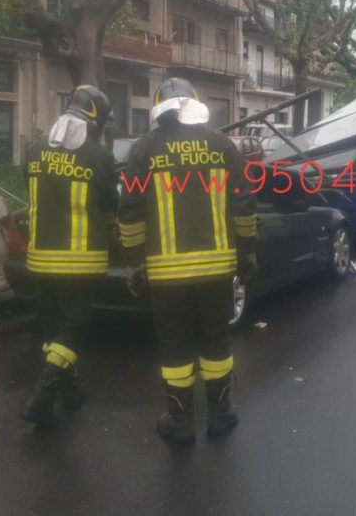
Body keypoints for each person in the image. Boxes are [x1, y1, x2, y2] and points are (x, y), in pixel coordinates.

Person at [118, 77, 257, 445]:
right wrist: (247, 252)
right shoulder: (222, 145)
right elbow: (244, 203)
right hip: (217, 270)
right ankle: (220, 414)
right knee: (216, 340)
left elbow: (129, 211)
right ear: (195, 102)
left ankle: (180, 422)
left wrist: (134, 263)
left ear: (160, 106)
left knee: (175, 347)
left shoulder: (144, 149)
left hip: (166, 276)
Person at [20, 84, 119, 427]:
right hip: (80, 260)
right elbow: (110, 203)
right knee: (72, 330)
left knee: (52, 331)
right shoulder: (99, 157)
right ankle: (42, 396)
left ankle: (70, 389)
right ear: (94, 120)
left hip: (40, 259)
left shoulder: (34, 150)